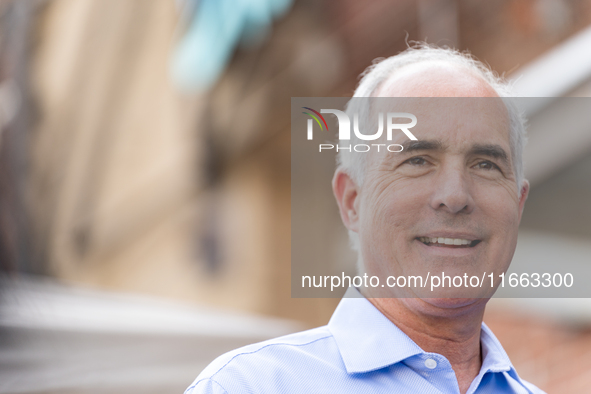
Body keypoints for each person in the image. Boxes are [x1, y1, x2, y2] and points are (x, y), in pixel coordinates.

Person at [185, 44, 544, 394]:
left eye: (485, 165)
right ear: (352, 201)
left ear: (518, 203)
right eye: (417, 161)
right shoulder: (248, 387)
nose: (454, 196)